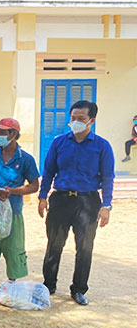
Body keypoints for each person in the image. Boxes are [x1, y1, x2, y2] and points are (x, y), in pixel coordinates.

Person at [38, 100, 114, 306]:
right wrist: (42, 196)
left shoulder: (102, 146)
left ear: (92, 121)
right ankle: (49, 285)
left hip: (87, 201)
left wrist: (106, 206)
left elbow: (108, 177)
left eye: (81, 119)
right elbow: (48, 172)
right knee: (54, 244)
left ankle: (79, 289)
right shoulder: (59, 143)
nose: (75, 122)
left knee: (85, 247)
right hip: (61, 199)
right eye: (73, 118)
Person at [0, 119, 39, 299]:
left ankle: (11, 284)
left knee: (13, 247)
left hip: (13, 211)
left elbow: (34, 185)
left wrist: (13, 191)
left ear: (14, 135)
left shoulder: (25, 159)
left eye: (3, 133)